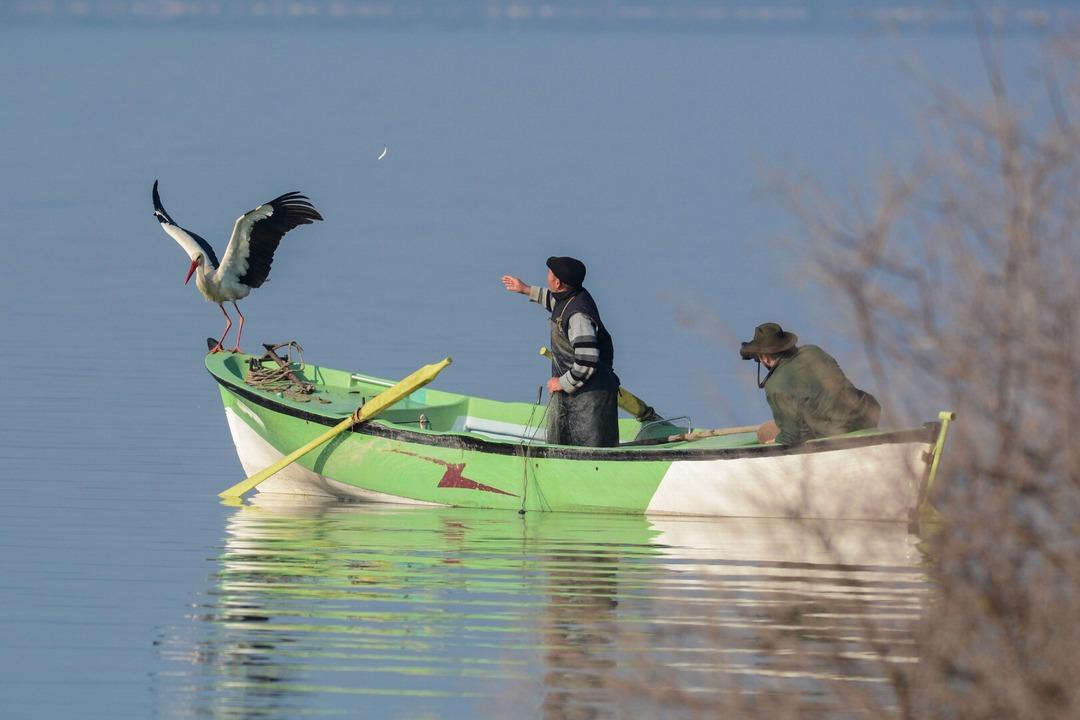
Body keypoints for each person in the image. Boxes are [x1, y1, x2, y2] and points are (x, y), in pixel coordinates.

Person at [502, 257, 620, 447]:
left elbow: (587, 361)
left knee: (589, 446)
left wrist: (562, 383)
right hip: (576, 391)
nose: (547, 275)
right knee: (567, 441)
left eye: (550, 273)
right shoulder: (571, 295)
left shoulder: (578, 316)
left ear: (557, 283)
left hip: (590, 398)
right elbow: (554, 300)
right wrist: (525, 289)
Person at [739, 322, 881, 445]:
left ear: (765, 358)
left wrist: (776, 441)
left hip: (836, 431)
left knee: (765, 432)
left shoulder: (775, 385)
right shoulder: (814, 351)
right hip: (867, 413)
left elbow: (793, 436)